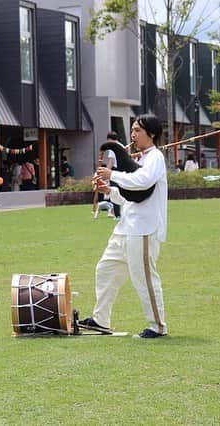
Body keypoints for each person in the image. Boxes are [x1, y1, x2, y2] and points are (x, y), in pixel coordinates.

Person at [80, 114, 168, 339]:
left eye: (138, 130)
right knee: (105, 269)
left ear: (152, 134)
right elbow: (133, 197)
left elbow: (143, 182)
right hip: (125, 228)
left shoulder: (155, 157)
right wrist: (109, 191)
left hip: (144, 230)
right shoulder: (141, 158)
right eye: (132, 129)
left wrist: (113, 175)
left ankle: (157, 326)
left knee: (144, 279)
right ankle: (100, 319)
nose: (133, 134)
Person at [102, 132, 122, 219]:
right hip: (123, 171)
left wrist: (106, 172)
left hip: (115, 171)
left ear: (109, 139)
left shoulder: (112, 147)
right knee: (121, 192)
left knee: (114, 191)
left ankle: (117, 214)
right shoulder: (121, 145)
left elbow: (111, 161)